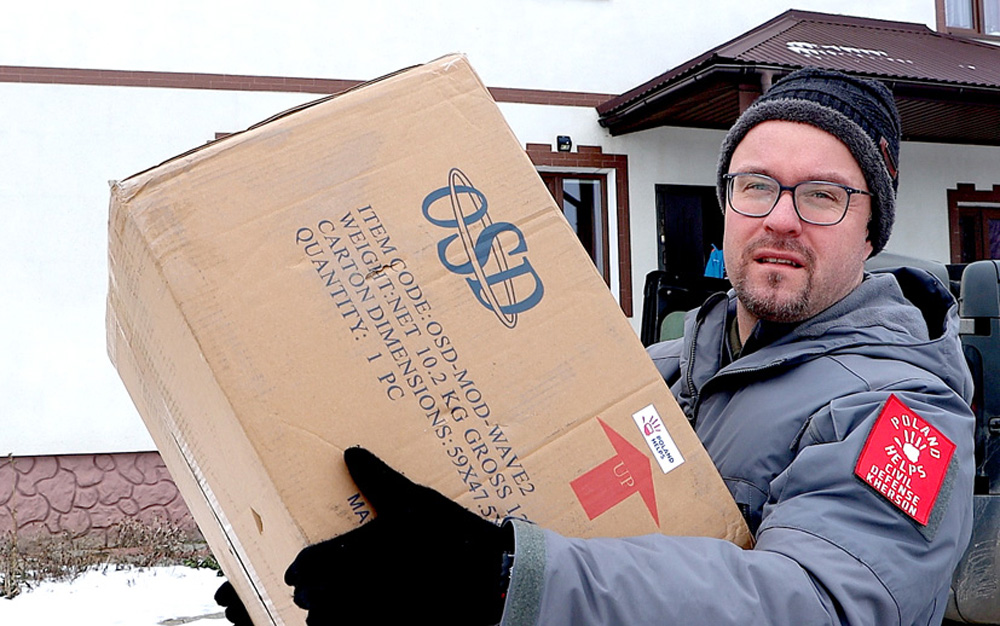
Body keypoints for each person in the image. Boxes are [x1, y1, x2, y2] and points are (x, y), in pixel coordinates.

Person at [216, 67, 975, 625]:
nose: (780, 217)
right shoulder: (654, 371)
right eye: (755, 185)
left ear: (871, 229)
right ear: (726, 205)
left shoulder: (908, 416)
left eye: (823, 195)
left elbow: (823, 604)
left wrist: (504, 581)